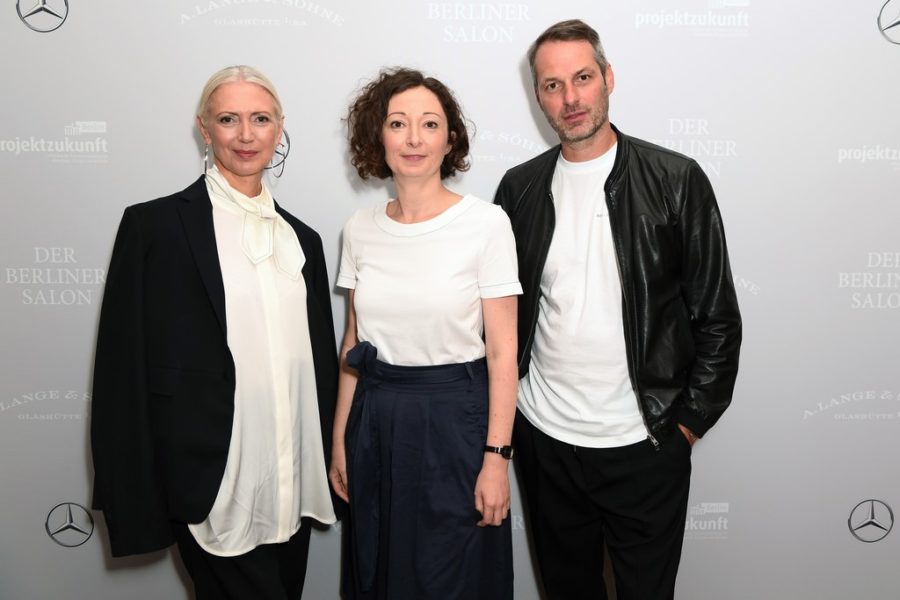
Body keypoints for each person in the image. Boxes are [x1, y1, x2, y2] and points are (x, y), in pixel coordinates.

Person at [493, 19, 742, 600]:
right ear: (538, 97)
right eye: (552, 85)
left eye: (582, 78)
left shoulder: (676, 180)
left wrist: (685, 425)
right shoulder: (519, 189)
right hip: (546, 441)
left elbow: (718, 318)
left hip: (647, 444)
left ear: (608, 78)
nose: (570, 98)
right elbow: (503, 319)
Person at [90, 65, 340, 599]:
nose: (246, 135)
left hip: (291, 481)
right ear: (205, 129)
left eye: (260, 119)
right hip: (212, 483)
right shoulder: (154, 227)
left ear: (279, 128)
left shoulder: (304, 241)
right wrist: (134, 489)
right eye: (229, 119)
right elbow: (122, 371)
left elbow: (317, 366)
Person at [329, 67, 520, 599]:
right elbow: (353, 344)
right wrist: (340, 440)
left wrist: (496, 459)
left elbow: (504, 353)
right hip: (375, 422)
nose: (414, 138)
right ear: (378, 136)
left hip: (456, 427)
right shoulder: (359, 229)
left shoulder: (486, 224)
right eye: (398, 123)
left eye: (429, 124)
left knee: (452, 578)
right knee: (378, 572)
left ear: (449, 138)